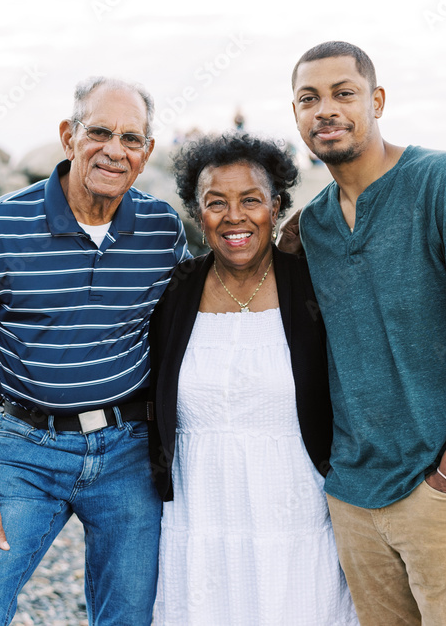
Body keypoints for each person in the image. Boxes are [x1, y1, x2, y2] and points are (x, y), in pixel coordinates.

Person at [0, 77, 189, 625]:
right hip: (25, 453)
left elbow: (195, 322)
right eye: (100, 132)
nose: (115, 150)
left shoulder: (162, 230)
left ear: (147, 153)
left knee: (132, 617)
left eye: (132, 139)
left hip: (129, 453)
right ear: (69, 136)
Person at [286, 41, 446, 625]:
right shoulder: (311, 227)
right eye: (308, 98)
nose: (326, 110)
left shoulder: (439, 180)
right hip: (353, 495)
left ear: (377, 100)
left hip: (442, 489)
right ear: (295, 115)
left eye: (343, 94)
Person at [145, 132, 359, 625]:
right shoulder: (173, 292)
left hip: (295, 514)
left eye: (251, 200)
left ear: (277, 206)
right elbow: (122, 363)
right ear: (198, 214)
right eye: (216, 203)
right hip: (199, 513)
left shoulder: (313, 285)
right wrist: (10, 382)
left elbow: (378, 361)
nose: (234, 217)